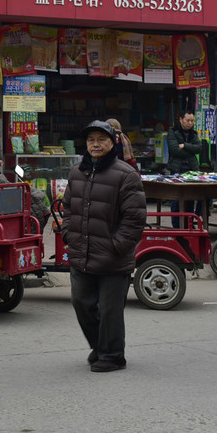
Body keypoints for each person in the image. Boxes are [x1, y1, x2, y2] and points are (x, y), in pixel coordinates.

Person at [62, 120, 146, 373]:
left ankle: (112, 355)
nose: (95, 144)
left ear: (113, 143)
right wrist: (68, 233)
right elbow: (67, 207)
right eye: (91, 140)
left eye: (101, 139)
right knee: (81, 303)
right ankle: (100, 346)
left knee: (110, 310)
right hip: (81, 251)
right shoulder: (77, 171)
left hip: (112, 257)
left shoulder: (126, 174)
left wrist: (116, 246)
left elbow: (135, 218)